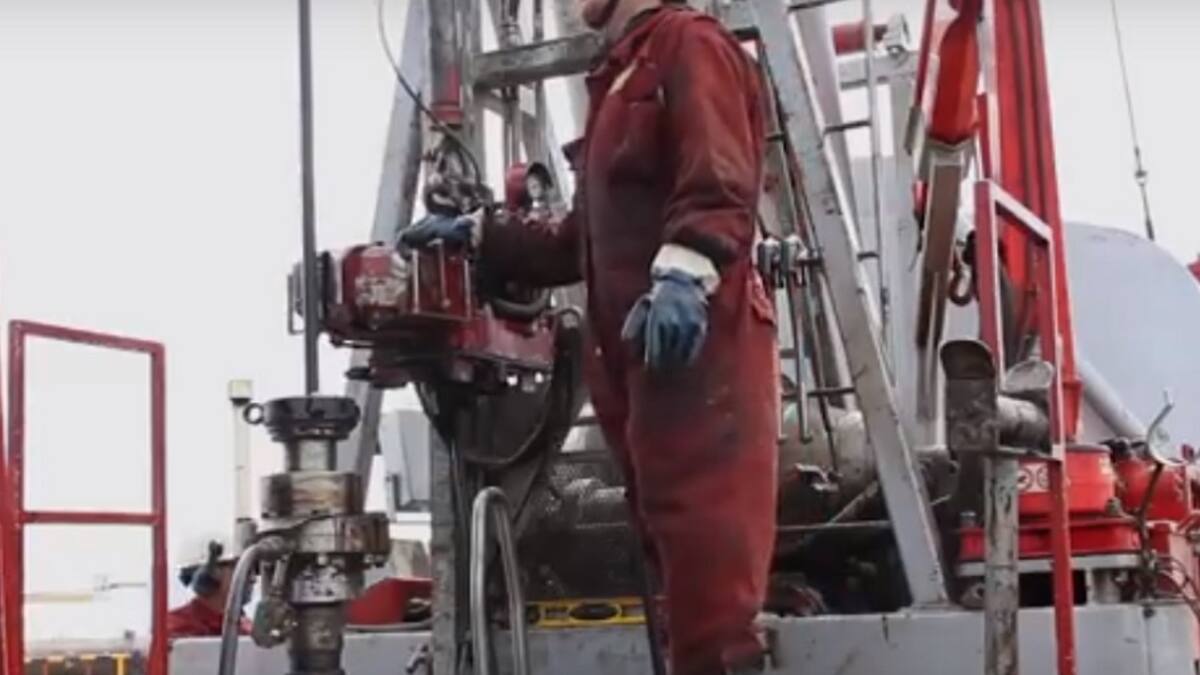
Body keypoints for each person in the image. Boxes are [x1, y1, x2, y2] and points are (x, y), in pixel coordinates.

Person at [402, 0, 778, 672]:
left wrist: (688, 270)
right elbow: (579, 238)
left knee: (709, 585)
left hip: (698, 356)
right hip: (642, 366)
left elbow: (721, 175)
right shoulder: (620, 76)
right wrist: (482, 234)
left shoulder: (688, 45)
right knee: (675, 570)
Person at [167, 533, 253, 639]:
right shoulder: (176, 628)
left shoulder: (247, 629)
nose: (252, 579)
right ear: (213, 573)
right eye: (242, 568)